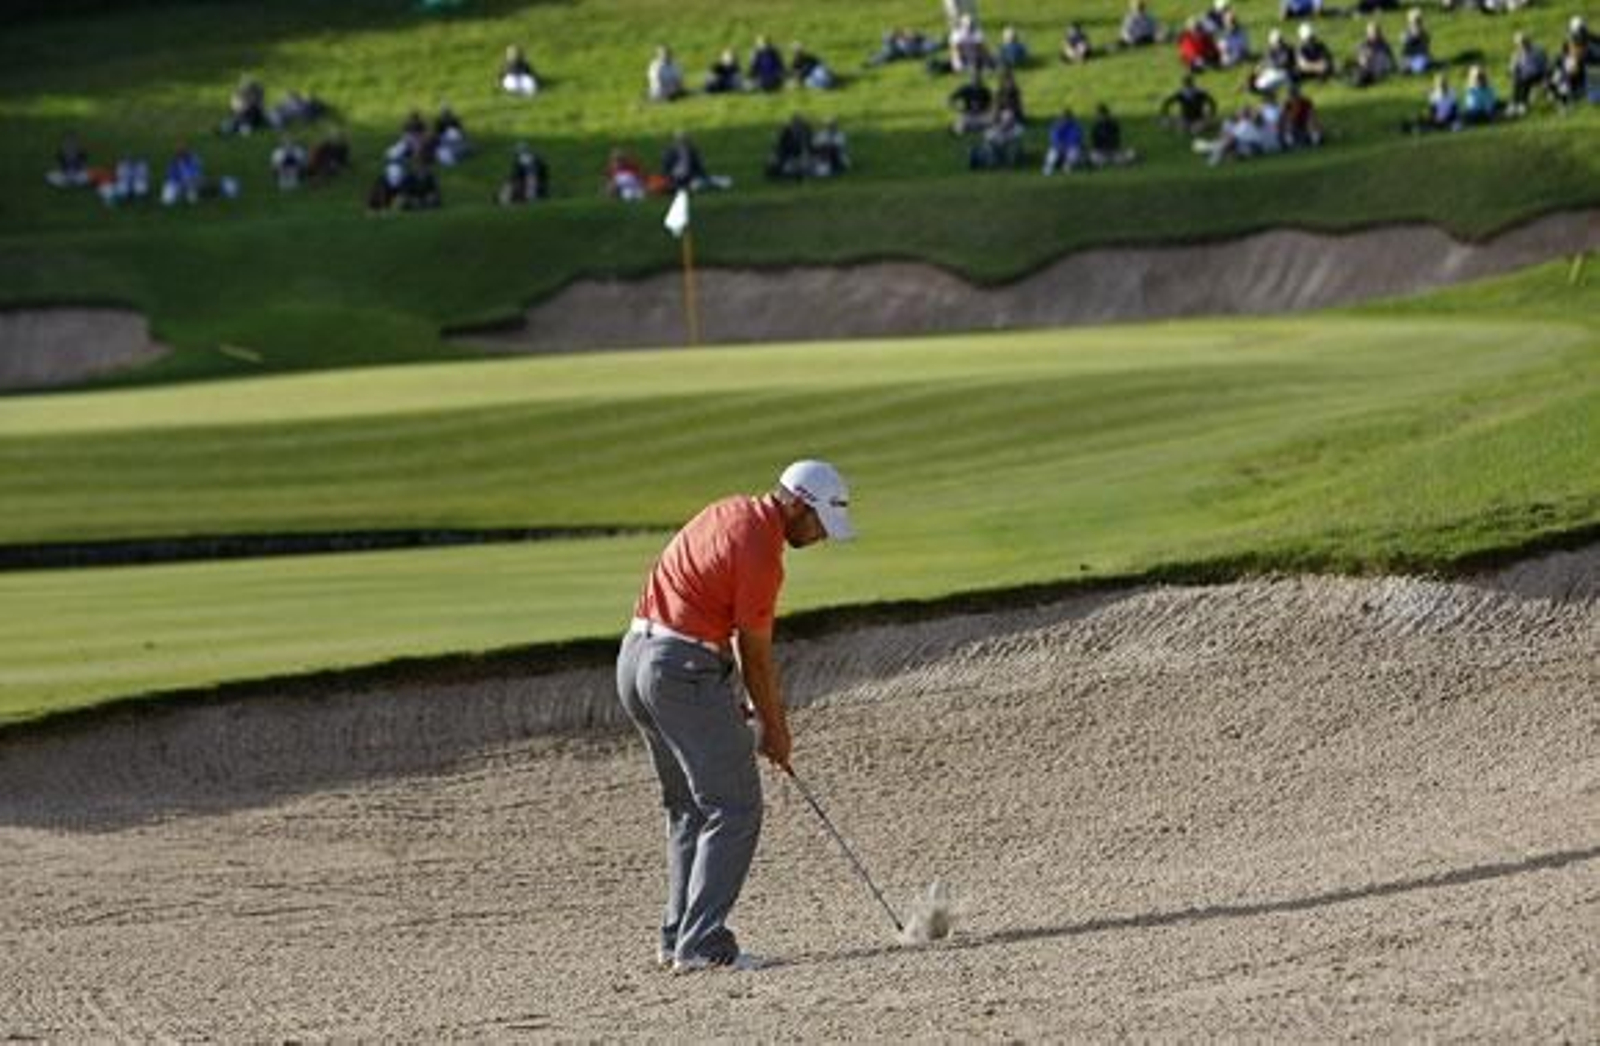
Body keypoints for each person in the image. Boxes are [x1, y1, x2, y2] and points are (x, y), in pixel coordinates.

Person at [617, 460, 853, 973]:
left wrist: (730, 696)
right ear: (798, 505)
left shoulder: (728, 511)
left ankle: (678, 936)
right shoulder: (762, 551)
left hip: (636, 659)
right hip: (678, 671)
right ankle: (702, 944)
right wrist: (775, 728)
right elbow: (756, 653)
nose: (820, 538)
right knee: (736, 806)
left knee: (689, 807)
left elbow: (704, 612)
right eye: (819, 526)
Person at [1506, 32, 1548, 114]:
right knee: (1517, 81)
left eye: (1524, 42)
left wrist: (1544, 74)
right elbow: (1512, 68)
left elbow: (1544, 63)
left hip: (1538, 74)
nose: (1523, 44)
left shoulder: (1537, 50)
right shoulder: (1516, 54)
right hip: (1524, 75)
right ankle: (1515, 102)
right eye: (1520, 43)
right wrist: (1513, 71)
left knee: (1525, 80)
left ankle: (1523, 104)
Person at [1347, 21, 1397, 87]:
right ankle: (1358, 77)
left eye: (1374, 32)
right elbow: (1357, 52)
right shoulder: (1365, 43)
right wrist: (1361, 52)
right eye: (1369, 32)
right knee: (1359, 59)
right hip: (1368, 67)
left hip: (1378, 68)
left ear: (1379, 33)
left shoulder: (1383, 45)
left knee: (1367, 57)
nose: (1371, 34)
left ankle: (1362, 78)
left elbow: (1390, 59)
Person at [767, 114, 813, 179]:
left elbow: (806, 146)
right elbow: (781, 145)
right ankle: (776, 171)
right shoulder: (787, 132)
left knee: (798, 162)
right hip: (789, 152)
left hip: (797, 153)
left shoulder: (805, 132)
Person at [1250, 27, 1296, 94]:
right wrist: (1258, 68)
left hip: (1283, 73)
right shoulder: (1271, 50)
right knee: (1257, 82)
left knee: (1262, 85)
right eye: (1276, 42)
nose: (1278, 43)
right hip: (1272, 71)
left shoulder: (1288, 49)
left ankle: (1267, 91)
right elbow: (1265, 60)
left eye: (1279, 41)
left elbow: (1283, 63)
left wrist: (1267, 64)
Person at [1042, 107, 1087, 172]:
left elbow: (1076, 139)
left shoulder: (1075, 126)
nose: (1064, 119)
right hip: (1059, 147)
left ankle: (1068, 166)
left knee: (1074, 151)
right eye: (1063, 117)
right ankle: (1048, 167)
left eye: (1066, 117)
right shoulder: (1056, 126)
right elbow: (1054, 138)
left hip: (1070, 147)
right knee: (1053, 152)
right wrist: (1060, 145)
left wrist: (1067, 145)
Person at [949, 67, 994, 133]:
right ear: (971, 79)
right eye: (974, 78)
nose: (976, 80)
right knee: (961, 125)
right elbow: (951, 99)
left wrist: (987, 110)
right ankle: (973, 127)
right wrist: (958, 109)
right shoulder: (965, 89)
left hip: (981, 115)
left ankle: (974, 127)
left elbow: (991, 105)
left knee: (989, 122)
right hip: (968, 114)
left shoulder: (985, 90)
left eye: (978, 78)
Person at [1400, 9, 1435, 75]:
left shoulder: (1423, 31)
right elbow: (1404, 43)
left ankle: (1428, 63)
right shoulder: (1406, 31)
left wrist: (1421, 35)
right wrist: (1411, 37)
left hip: (1420, 55)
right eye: (1413, 21)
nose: (1415, 23)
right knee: (1403, 66)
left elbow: (1426, 44)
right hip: (1410, 56)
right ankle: (1408, 68)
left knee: (1420, 68)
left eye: (1417, 21)